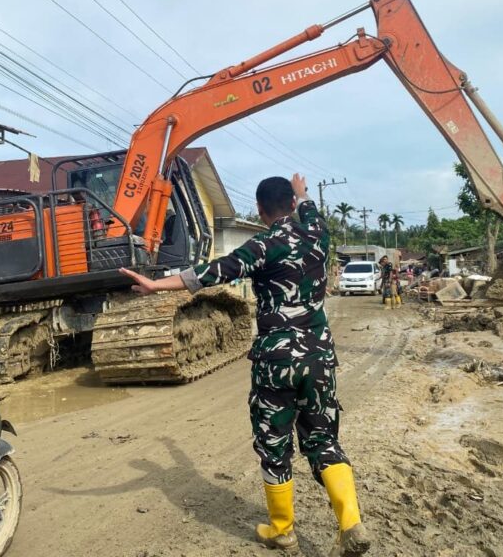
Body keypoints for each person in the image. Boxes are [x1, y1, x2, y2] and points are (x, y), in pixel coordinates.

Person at [120, 174, 371, 556]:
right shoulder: (317, 236)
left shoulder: (262, 245)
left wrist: (156, 286)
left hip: (277, 360)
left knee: (275, 444)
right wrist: (303, 195)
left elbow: (211, 273)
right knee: (323, 441)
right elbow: (310, 210)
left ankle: (282, 529)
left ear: (259, 210)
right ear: (291, 204)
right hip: (319, 357)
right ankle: (351, 523)